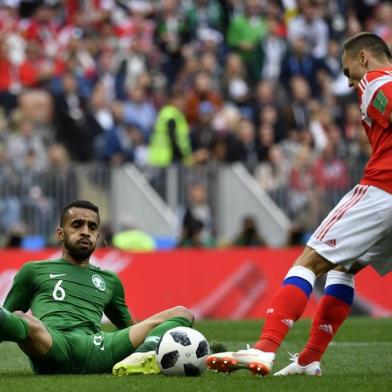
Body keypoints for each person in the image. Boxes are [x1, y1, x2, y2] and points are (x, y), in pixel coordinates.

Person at [207, 32, 392, 377]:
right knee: (344, 268)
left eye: (347, 71)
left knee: (308, 261)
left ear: (364, 58)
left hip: (383, 189)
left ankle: (264, 349)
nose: (350, 82)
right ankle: (308, 360)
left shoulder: (375, 82)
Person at [0, 200, 194, 375]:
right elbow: (6, 320)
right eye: (77, 225)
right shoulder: (33, 270)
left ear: (98, 236)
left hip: (97, 348)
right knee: (19, 317)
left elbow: (129, 329)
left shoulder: (110, 280)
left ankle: (144, 356)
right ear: (60, 233)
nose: (85, 231)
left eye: (92, 227)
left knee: (182, 313)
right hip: (53, 344)